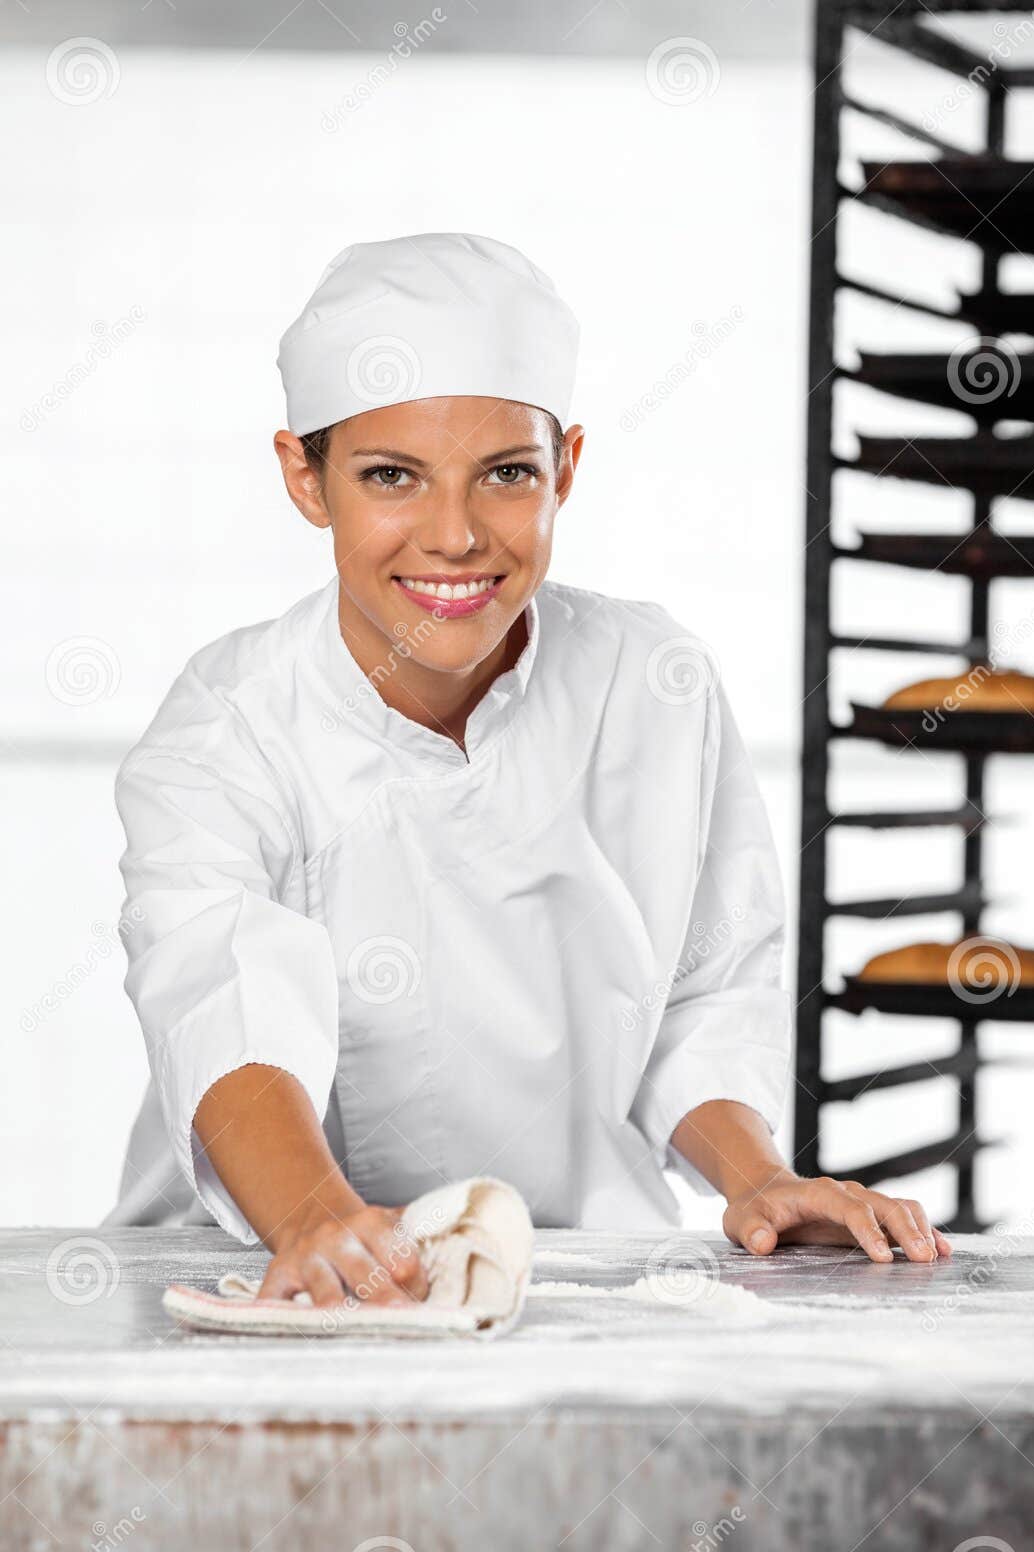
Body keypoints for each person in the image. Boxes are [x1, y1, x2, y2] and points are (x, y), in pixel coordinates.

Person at [109, 232, 951, 1306]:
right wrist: (316, 1218)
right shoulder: (230, 719)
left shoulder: (652, 682)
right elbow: (221, 987)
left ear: (567, 469)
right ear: (304, 480)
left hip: (571, 1282)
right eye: (390, 478)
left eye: (505, 474)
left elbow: (694, 1001)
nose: (455, 535)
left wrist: (759, 1180)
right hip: (254, 1281)